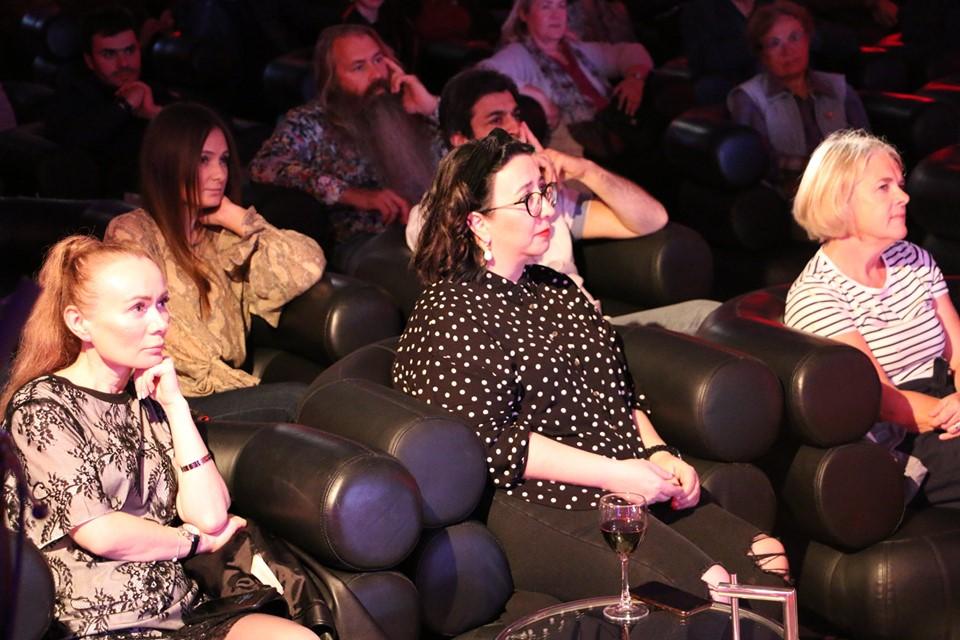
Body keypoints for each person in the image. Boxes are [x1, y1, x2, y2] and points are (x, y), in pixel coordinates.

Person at [393, 128, 791, 608]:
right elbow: (491, 444)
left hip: (626, 477)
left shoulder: (555, 288)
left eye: (544, 192)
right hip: (542, 499)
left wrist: (659, 453)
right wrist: (614, 474)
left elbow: (619, 392)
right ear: (478, 224)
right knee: (710, 587)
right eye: (527, 199)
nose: (546, 209)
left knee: (767, 556)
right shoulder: (450, 311)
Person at [0, 236, 317, 639]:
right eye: (138, 308)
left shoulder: (145, 400)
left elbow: (210, 516)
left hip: (182, 611)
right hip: (101, 622)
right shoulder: (43, 406)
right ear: (79, 323)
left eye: (162, 303)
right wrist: (194, 542)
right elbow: (100, 532)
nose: (160, 322)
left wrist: (175, 406)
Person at [406, 68, 719, 334]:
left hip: (595, 331)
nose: (514, 127)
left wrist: (585, 170)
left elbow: (652, 219)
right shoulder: (435, 215)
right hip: (542, 352)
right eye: (496, 119)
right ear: (461, 142)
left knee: (710, 316)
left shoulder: (549, 198)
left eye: (516, 115)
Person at [105, 103, 326, 422]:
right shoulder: (134, 232)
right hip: (174, 399)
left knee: (326, 394)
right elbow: (159, 337)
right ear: (169, 163)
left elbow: (307, 262)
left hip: (225, 391)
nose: (219, 174)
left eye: (223, 160)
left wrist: (235, 217)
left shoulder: (224, 237)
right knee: (300, 401)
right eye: (203, 160)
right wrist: (237, 384)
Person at [784, 129, 960, 509]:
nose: (904, 197)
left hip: (947, 401)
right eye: (884, 187)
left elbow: (957, 349)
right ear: (840, 201)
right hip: (900, 435)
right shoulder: (817, 295)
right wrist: (953, 414)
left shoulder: (913, 258)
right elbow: (884, 402)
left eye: (900, 184)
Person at [249, 23, 445, 264]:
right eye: (359, 67)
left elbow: (474, 154)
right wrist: (353, 195)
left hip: (437, 228)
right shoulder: (312, 122)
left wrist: (432, 108)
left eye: (378, 60)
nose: (377, 74)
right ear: (332, 80)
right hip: (369, 242)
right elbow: (265, 166)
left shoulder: (410, 106)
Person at [478, 0, 653, 157]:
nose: (556, 15)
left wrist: (635, 78)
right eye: (546, 6)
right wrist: (531, 92)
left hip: (615, 125)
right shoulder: (519, 53)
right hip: (580, 142)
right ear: (524, 14)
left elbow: (630, 51)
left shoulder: (575, 49)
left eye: (561, 6)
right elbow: (482, 73)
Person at [727, 0, 870, 193]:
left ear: (808, 40)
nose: (787, 51)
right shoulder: (749, 98)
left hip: (850, 186)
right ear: (762, 54)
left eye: (794, 38)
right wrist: (817, 168)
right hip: (793, 194)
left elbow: (866, 144)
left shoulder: (838, 87)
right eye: (774, 43)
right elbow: (760, 164)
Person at [44, 6, 168, 197]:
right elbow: (73, 143)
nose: (124, 63)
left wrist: (155, 114)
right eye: (109, 54)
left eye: (129, 50)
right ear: (89, 61)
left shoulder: (154, 86)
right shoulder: (72, 95)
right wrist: (124, 106)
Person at [681, 0, 759, 105]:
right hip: (724, 82)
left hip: (766, 74)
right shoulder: (700, 8)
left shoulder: (768, 4)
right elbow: (706, 61)